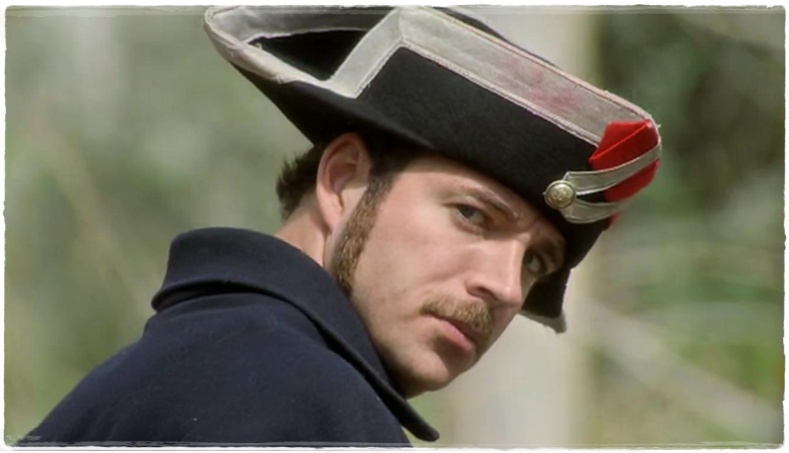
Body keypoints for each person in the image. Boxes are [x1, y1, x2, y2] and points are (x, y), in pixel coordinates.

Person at [19, 6, 661, 447]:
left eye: (535, 262)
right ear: (343, 179)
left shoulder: (200, 361)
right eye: (473, 215)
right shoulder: (294, 393)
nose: (506, 287)